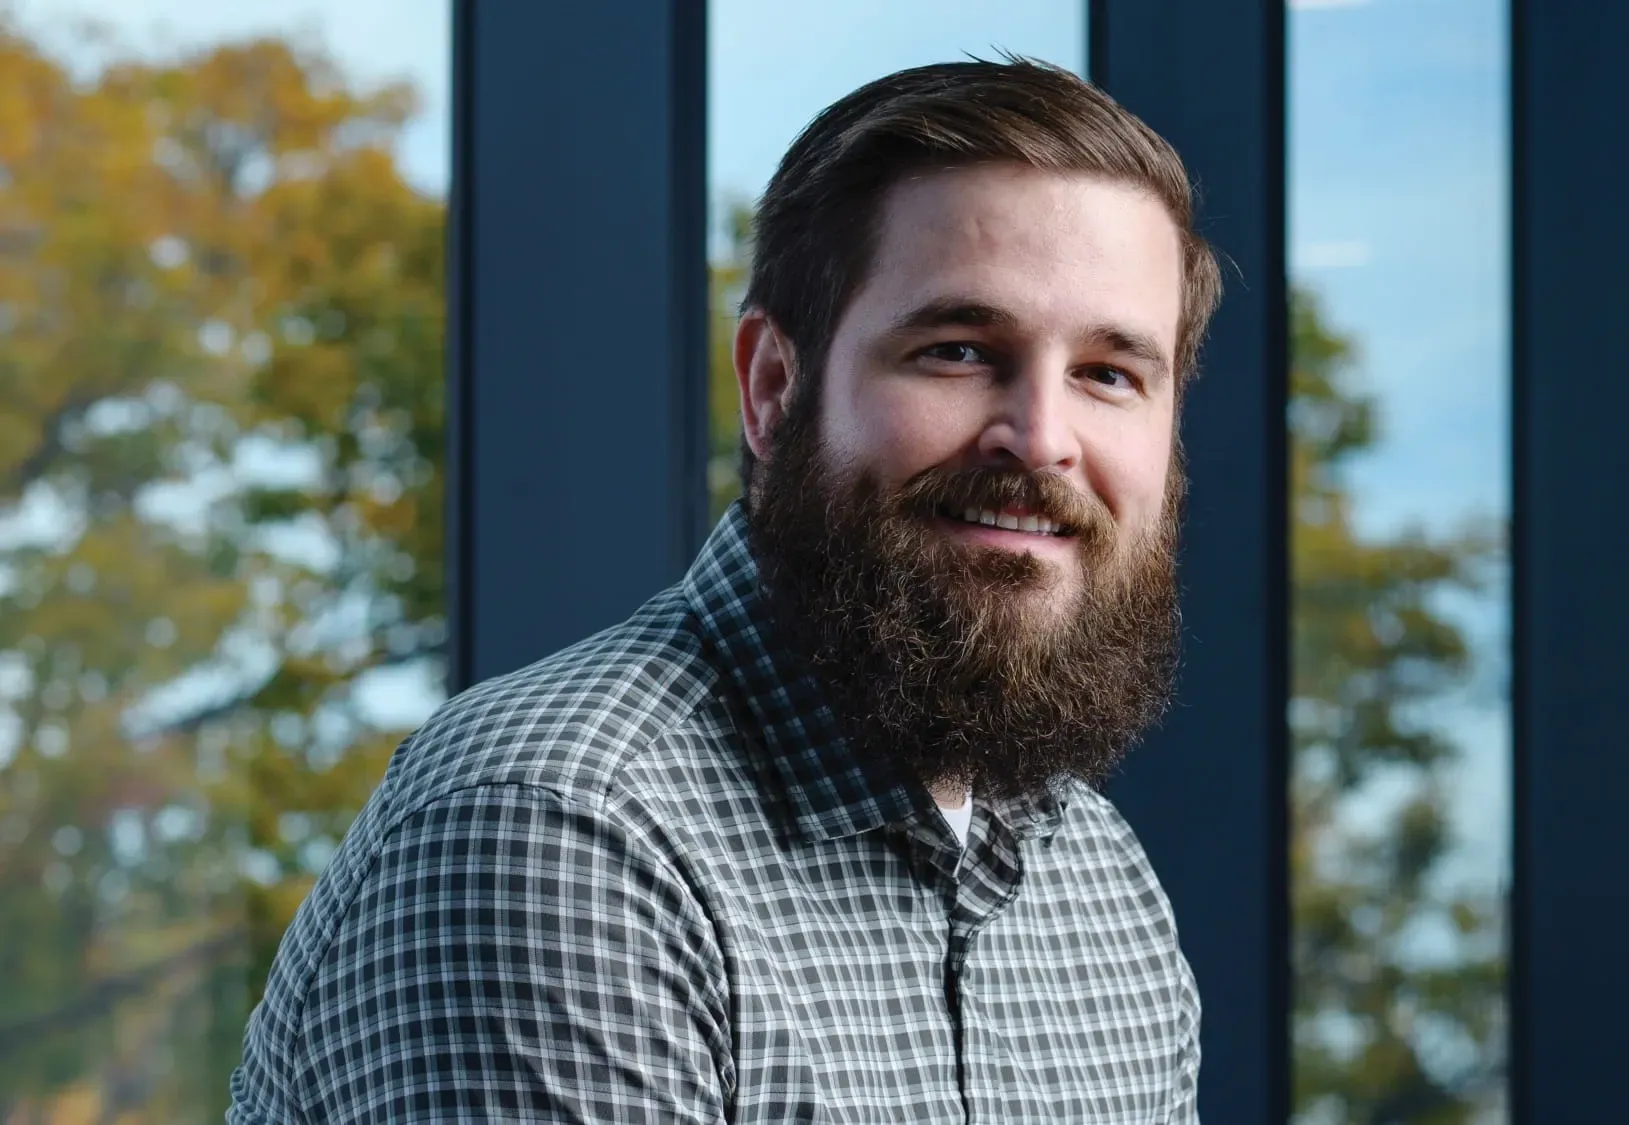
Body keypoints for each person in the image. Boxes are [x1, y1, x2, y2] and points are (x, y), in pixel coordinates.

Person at [227, 56, 1221, 1123]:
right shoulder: (561, 833)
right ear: (772, 387)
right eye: (957, 351)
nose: (1040, 440)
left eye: (1108, 375)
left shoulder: (1097, 884)